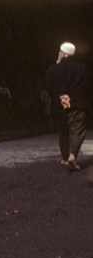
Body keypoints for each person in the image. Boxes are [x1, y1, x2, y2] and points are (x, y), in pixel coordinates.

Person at [47, 41, 88, 170]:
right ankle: (73, 155)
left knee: (63, 131)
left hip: (59, 105)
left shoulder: (53, 69)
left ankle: (65, 158)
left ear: (64, 54)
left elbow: (48, 87)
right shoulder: (82, 68)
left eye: (60, 52)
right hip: (77, 104)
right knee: (77, 130)